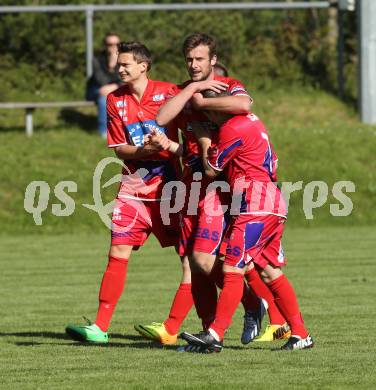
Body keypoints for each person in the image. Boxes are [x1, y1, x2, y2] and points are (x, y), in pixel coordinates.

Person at [134, 33, 269, 345]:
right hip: (190, 185)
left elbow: (244, 102)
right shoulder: (184, 91)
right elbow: (162, 116)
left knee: (203, 260)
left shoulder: (227, 84)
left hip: (218, 184)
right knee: (193, 263)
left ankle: (246, 310)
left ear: (213, 61)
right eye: (189, 59)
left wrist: (205, 102)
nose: (193, 64)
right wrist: (193, 90)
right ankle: (210, 330)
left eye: (200, 59)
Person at [65, 41, 185, 343]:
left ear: (143, 66)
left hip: (169, 185)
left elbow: (194, 131)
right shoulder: (115, 100)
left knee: (193, 259)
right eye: (119, 64)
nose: (119, 69)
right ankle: (100, 327)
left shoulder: (169, 93)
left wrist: (172, 149)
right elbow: (120, 149)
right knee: (117, 252)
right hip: (132, 186)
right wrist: (144, 149)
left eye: (125, 64)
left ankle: (177, 326)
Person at [179, 90, 313, 352]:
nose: (207, 118)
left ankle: (215, 334)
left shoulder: (232, 127)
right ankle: (301, 334)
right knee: (269, 271)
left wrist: (204, 138)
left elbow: (210, 168)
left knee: (232, 269)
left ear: (218, 110)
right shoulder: (254, 121)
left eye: (208, 114)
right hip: (272, 200)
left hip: (254, 205)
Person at [86, 33, 123, 137]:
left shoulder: (124, 59)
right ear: (105, 45)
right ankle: (104, 132)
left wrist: (115, 86)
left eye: (117, 44)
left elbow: (127, 78)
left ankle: (123, 129)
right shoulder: (97, 59)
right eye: (110, 44)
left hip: (115, 89)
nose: (114, 47)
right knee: (104, 100)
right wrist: (111, 64)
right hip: (96, 89)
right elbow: (101, 81)